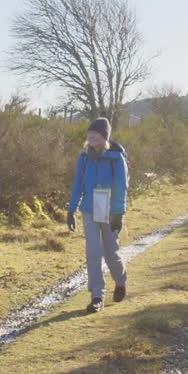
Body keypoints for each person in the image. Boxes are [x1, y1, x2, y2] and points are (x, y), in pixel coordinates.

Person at [66, 117, 128, 313]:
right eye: (89, 134)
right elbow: (78, 184)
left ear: (104, 136)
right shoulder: (84, 158)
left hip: (110, 211)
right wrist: (71, 210)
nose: (91, 137)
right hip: (89, 210)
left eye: (96, 134)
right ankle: (97, 296)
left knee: (111, 252)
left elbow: (121, 188)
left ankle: (120, 281)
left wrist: (118, 214)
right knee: (93, 253)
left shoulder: (117, 159)